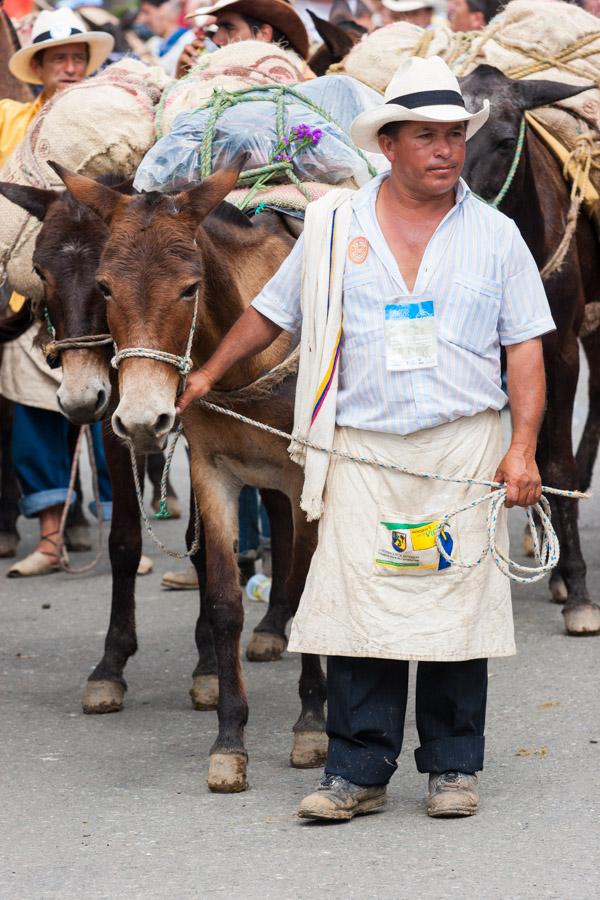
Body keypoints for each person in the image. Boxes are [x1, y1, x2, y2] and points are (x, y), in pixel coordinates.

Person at [175, 55, 555, 820]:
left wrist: (521, 449)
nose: (446, 149)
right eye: (428, 136)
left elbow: (525, 348)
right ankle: (356, 772)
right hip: (361, 448)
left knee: (456, 609)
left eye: (454, 135)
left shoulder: (496, 236)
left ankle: (453, 769)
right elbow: (272, 314)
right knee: (359, 609)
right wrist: (209, 374)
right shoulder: (334, 224)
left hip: (461, 448)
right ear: (390, 144)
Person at [0, 7, 115, 576]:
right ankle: (49, 539)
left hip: (105, 288)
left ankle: (127, 534)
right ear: (39, 68)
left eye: (77, 58)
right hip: (37, 285)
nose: (69, 68)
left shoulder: (117, 120)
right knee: (34, 408)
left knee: (116, 406)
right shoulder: (13, 122)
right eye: (57, 59)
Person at [178, 0, 310, 76]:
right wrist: (183, 75)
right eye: (217, 29)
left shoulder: (302, 84)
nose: (217, 40)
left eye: (229, 28)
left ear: (263, 34)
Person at [135, 0, 195, 76]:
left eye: (147, 12)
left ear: (164, 10)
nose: (142, 19)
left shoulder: (188, 40)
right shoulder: (154, 42)